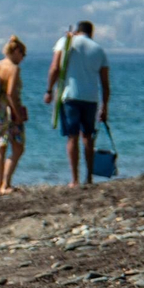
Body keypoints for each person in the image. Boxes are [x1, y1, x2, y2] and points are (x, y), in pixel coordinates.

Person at [42, 20, 110, 186]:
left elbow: (54, 68)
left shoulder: (66, 42)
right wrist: (104, 106)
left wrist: (49, 90)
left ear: (77, 31)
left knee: (72, 137)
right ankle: (89, 177)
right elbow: (105, 84)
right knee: (87, 137)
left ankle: (74, 179)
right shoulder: (98, 49)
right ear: (91, 33)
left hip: (70, 95)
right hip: (91, 97)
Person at [0, 35, 28, 194]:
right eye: (23, 54)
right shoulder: (13, 68)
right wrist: (18, 114)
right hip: (9, 111)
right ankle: (6, 183)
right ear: (16, 51)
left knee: (0, 148)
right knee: (18, 148)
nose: (23, 58)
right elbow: (11, 93)